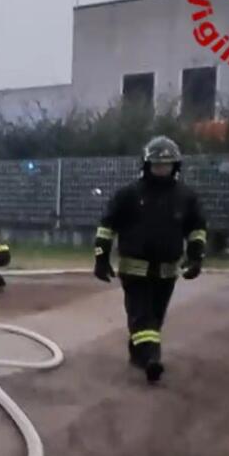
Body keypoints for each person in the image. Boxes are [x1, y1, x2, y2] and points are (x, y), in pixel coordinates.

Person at [93, 136, 206, 384]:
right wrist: (101, 258)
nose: (161, 170)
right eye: (156, 165)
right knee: (142, 317)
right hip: (134, 270)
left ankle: (139, 353)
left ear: (175, 166)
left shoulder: (186, 197)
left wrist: (196, 258)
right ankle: (152, 359)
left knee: (155, 317)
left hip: (166, 272)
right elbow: (107, 226)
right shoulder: (129, 195)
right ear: (146, 165)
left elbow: (196, 229)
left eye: (166, 165)